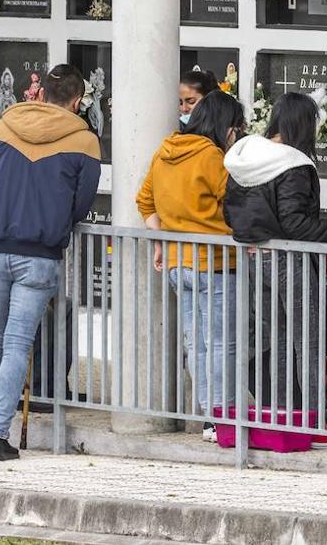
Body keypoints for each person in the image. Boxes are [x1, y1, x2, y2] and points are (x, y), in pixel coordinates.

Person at [0, 64, 101, 462]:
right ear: (77, 101)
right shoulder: (84, 140)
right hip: (39, 254)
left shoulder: (2, 126)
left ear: (39, 95)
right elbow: (81, 204)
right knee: (18, 345)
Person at [223, 92, 327, 417]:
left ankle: (283, 415)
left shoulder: (245, 155)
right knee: (308, 340)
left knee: (279, 339)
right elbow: (296, 223)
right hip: (289, 260)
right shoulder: (293, 164)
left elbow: (231, 213)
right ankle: (311, 417)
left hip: (254, 258)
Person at [137, 89, 244, 440]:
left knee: (196, 345)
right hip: (213, 264)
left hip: (176, 263)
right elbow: (233, 205)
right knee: (220, 344)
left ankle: (209, 418)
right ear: (224, 126)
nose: (235, 136)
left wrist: (160, 240)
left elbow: (145, 201)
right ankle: (222, 419)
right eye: (235, 129)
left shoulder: (166, 152)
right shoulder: (212, 157)